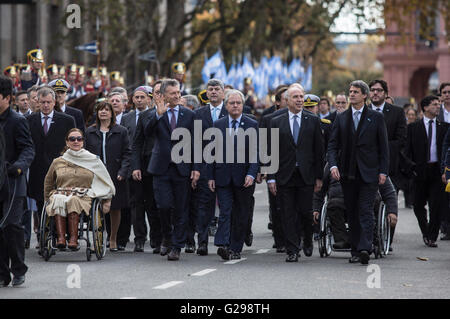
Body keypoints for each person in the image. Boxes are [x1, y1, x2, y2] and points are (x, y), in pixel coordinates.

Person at [327, 80, 389, 265]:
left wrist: (383, 171)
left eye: (355, 92)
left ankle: (365, 248)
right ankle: (355, 250)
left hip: (369, 172)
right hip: (347, 172)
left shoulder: (375, 117)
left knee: (365, 210)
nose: (351, 94)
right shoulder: (342, 117)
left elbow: (383, 148)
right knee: (352, 211)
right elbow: (332, 145)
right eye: (350, 91)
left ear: (365, 95)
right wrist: (333, 165)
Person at [145, 78, 200, 261]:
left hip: (182, 168)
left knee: (181, 208)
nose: (177, 96)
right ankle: (167, 237)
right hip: (161, 167)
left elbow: (196, 144)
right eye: (173, 93)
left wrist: (196, 168)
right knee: (163, 205)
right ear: (163, 95)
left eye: (178, 93)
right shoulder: (154, 114)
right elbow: (146, 133)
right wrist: (158, 115)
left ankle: (177, 245)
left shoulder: (189, 115)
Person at [268, 85, 324, 262]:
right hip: (284, 175)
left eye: (302, 96)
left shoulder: (313, 120)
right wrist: (270, 176)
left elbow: (319, 151)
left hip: (306, 175)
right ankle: (292, 249)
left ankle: (307, 238)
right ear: (287, 101)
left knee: (305, 212)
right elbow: (270, 151)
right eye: (296, 97)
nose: (300, 100)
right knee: (287, 213)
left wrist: (319, 177)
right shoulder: (276, 121)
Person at [208, 89, 259, 260]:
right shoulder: (218, 125)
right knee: (225, 210)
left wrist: (252, 174)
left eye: (238, 103)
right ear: (226, 105)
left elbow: (256, 153)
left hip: (244, 178)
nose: (235, 106)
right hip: (223, 176)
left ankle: (235, 247)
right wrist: (210, 176)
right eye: (232, 103)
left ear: (243, 105)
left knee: (241, 213)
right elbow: (211, 153)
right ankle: (222, 243)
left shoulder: (252, 125)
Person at [43, 128, 115, 250]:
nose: (76, 141)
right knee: (57, 198)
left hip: (83, 196)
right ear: (67, 142)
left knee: (74, 200)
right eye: (72, 139)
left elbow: (104, 180)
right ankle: (60, 238)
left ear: (82, 141)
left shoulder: (93, 160)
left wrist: (106, 200)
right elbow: (48, 182)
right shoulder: (58, 162)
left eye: (79, 139)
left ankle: (73, 239)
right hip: (61, 193)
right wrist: (47, 200)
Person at [26, 86, 76, 248]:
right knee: (41, 203)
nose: (46, 105)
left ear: (54, 102)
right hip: (37, 169)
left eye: (49, 102)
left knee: (61, 202)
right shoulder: (29, 120)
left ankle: (60, 234)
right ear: (38, 102)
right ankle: (44, 235)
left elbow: (73, 144)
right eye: (42, 102)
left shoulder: (67, 120)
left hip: (60, 170)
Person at [0, 75, 35, 287]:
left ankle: (19, 269)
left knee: (11, 226)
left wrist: (19, 166)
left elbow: (28, 149)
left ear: (7, 98)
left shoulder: (17, 121)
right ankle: (2, 273)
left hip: (13, 183)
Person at [85, 102, 131, 252]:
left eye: (106, 110)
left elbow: (127, 153)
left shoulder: (121, 131)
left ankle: (113, 238)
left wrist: (123, 171)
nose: (103, 112)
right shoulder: (90, 131)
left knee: (114, 207)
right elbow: (84, 153)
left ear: (112, 113)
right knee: (96, 207)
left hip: (114, 173)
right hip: (95, 174)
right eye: (100, 110)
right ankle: (97, 238)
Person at [406, 96, 449, 247]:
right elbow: (406, 151)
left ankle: (432, 235)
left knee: (436, 205)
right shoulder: (413, 128)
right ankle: (425, 230)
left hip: (438, 171)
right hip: (419, 171)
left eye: (439, 104)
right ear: (424, 108)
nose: (438, 107)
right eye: (434, 104)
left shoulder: (444, 127)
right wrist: (412, 168)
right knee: (418, 205)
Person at [369, 79, 406, 249]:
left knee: (390, 201)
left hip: (390, 166)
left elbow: (400, 139)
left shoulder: (397, 112)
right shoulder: (363, 111)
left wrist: (381, 147)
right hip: (366, 166)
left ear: (385, 93)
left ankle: (387, 240)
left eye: (378, 90)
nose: (375, 93)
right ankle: (371, 237)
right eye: (372, 90)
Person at [195, 79, 228, 256]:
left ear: (223, 93)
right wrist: (196, 168)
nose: (213, 92)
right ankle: (202, 242)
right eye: (211, 89)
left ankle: (224, 241)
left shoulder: (231, 111)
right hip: (205, 167)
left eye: (217, 89)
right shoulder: (199, 113)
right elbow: (194, 143)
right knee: (204, 207)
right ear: (206, 93)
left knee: (225, 206)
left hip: (226, 166)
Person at [130, 81, 162, 254]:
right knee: (149, 204)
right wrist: (135, 166)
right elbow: (136, 144)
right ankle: (151, 240)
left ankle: (164, 238)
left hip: (170, 167)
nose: (158, 96)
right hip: (148, 166)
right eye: (156, 93)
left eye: (160, 93)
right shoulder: (145, 116)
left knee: (164, 205)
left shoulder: (178, 115)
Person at [122, 86, 151, 252]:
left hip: (151, 165)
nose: (139, 100)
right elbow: (127, 145)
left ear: (148, 99)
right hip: (133, 166)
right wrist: (132, 166)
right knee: (136, 204)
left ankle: (156, 238)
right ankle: (139, 238)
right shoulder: (127, 118)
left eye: (142, 97)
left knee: (153, 204)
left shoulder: (154, 114)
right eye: (137, 97)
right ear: (132, 100)